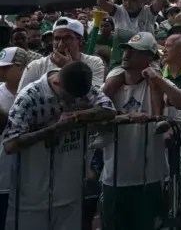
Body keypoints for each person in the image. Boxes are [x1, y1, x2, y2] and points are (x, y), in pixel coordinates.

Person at [3, 61, 116, 230]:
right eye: (69, 96)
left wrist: (78, 115)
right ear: (56, 82)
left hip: (70, 196)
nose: (75, 100)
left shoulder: (80, 86)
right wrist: (56, 128)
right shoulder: (29, 97)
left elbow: (109, 110)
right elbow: (10, 145)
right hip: (31, 200)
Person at [99, 32, 181, 230]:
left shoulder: (155, 86)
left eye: (135, 51)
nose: (127, 54)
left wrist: (158, 79)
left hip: (150, 177)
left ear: (149, 57)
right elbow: (96, 112)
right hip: (115, 175)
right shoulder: (113, 82)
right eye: (127, 49)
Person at [19, 17, 106, 91]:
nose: (60, 44)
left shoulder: (94, 63)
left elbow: (94, 96)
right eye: (57, 39)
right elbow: (20, 100)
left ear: (80, 40)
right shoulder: (36, 66)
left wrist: (69, 67)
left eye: (67, 38)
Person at [0, 47, 27, 229]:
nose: (1, 71)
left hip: (26, 178)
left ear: (22, 67)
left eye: (6, 67)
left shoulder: (31, 94)